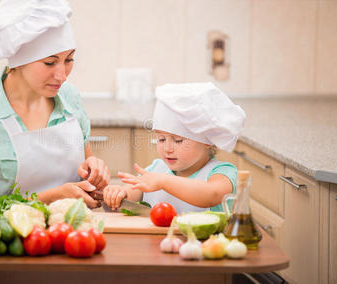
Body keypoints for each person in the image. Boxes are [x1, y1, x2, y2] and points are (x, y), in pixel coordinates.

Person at [0, 0, 110, 208]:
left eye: (69, 60)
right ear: (18, 62)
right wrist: (51, 197)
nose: (62, 75)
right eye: (50, 63)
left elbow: (85, 174)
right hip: (7, 241)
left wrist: (94, 173)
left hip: (72, 236)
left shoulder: (70, 98)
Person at [103, 82, 246, 213]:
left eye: (178, 140)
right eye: (161, 139)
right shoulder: (156, 168)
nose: (167, 148)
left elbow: (212, 194)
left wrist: (164, 182)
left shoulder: (222, 172)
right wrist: (120, 193)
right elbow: (135, 191)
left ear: (208, 141)